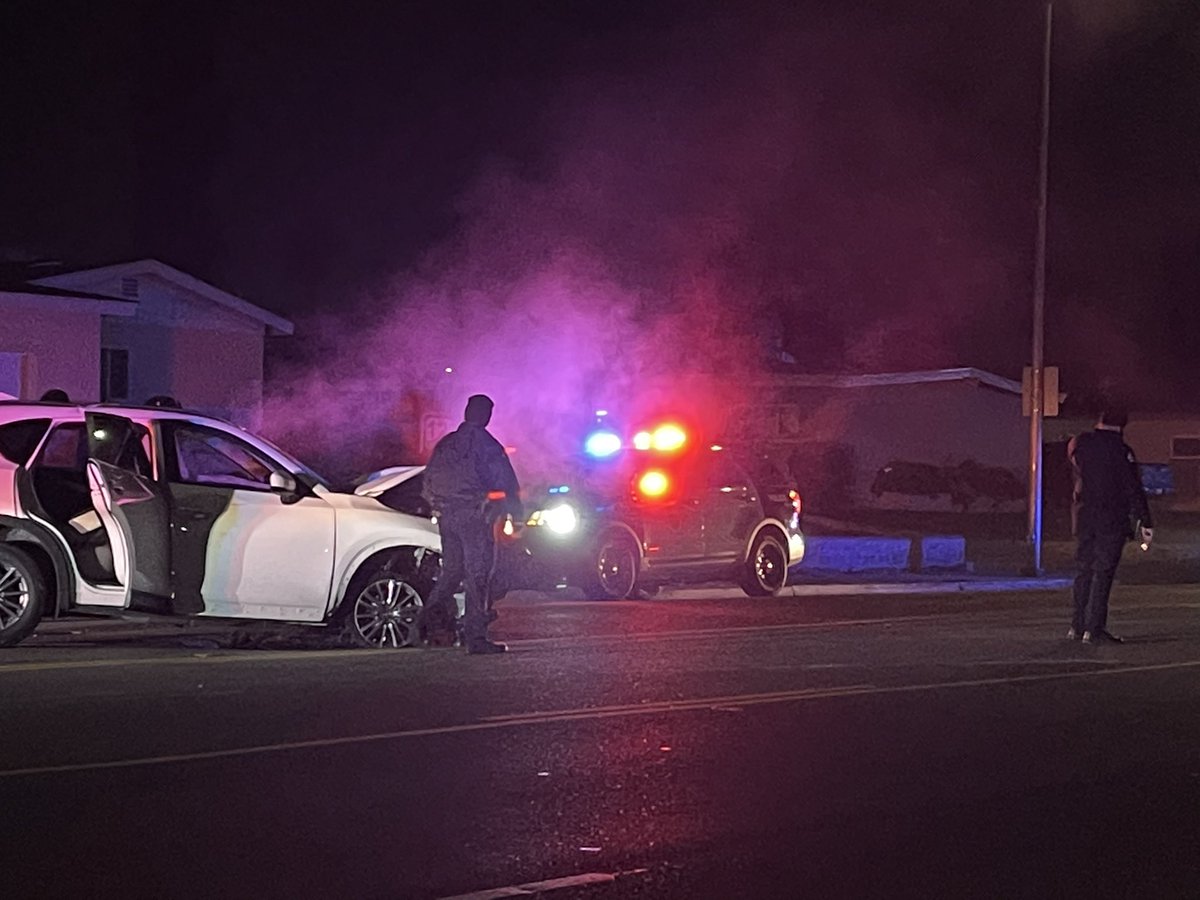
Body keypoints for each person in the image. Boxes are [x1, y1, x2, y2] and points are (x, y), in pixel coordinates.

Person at [419, 394, 521, 655]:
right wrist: (515, 515)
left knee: (451, 572)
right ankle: (476, 637)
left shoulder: (446, 444)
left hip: (447, 517)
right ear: (486, 415)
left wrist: (439, 508)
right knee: (477, 575)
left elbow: (428, 480)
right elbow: (506, 483)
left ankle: (425, 624)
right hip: (474, 517)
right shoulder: (487, 445)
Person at [1067, 405, 1153, 644]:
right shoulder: (1121, 450)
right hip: (1112, 518)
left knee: (1084, 570)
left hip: (1086, 517)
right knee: (1103, 573)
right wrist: (1145, 520)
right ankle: (1094, 629)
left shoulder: (1083, 444)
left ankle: (1077, 624)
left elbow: (1075, 465)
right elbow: (1132, 488)